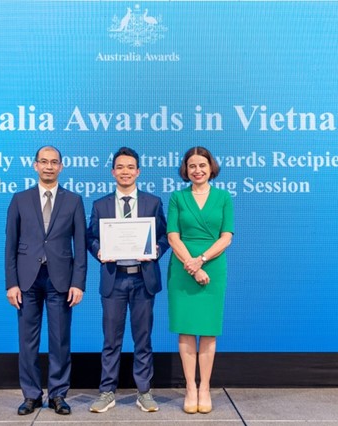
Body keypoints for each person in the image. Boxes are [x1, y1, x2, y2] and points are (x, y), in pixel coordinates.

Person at [4, 145, 87, 416]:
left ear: (61, 166)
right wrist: (11, 283)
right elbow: (10, 245)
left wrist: (78, 282)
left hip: (61, 280)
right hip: (27, 281)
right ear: (35, 165)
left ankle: (58, 394)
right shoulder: (20, 199)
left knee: (60, 339)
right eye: (44, 162)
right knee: (27, 340)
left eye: (54, 162)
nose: (49, 166)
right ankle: (31, 395)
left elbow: (81, 245)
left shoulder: (74, 200)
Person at [86, 147, 169, 413]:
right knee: (111, 339)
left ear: (138, 171)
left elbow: (165, 236)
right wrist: (99, 250)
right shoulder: (100, 204)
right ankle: (107, 391)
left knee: (143, 338)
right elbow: (90, 237)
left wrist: (156, 250)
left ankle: (144, 391)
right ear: (113, 172)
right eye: (120, 167)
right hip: (114, 279)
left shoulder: (152, 202)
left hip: (143, 280)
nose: (125, 172)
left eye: (130, 167)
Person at [166, 146, 234, 414]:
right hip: (183, 268)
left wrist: (202, 260)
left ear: (211, 167)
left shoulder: (224, 197)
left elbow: (226, 236)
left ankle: (204, 387)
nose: (197, 170)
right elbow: (173, 236)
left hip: (213, 266)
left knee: (208, 330)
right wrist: (191, 266)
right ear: (186, 169)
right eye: (192, 166)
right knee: (186, 329)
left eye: (202, 165)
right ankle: (190, 387)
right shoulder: (177, 198)